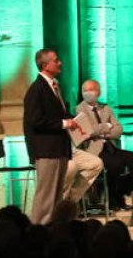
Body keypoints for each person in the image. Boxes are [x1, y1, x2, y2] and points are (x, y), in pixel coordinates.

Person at [24, 48, 87, 225]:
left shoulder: (54, 86)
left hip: (58, 148)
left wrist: (73, 121)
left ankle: (53, 230)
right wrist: (64, 124)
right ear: (45, 65)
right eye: (56, 60)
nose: (60, 63)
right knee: (46, 196)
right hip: (46, 149)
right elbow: (35, 120)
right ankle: (38, 231)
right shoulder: (37, 89)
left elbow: (59, 113)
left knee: (57, 195)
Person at [75, 79, 133, 211]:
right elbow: (89, 130)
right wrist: (107, 126)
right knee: (116, 165)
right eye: (84, 90)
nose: (87, 93)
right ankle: (114, 200)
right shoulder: (80, 108)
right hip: (95, 150)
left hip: (111, 146)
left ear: (98, 92)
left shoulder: (106, 108)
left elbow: (119, 129)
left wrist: (105, 133)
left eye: (90, 90)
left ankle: (119, 192)